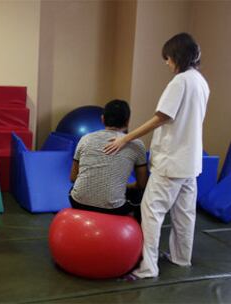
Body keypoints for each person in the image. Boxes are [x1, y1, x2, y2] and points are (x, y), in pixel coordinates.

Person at [104, 33, 209, 280]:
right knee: (184, 214)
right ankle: (181, 258)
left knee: (152, 213)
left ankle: (147, 268)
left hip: (171, 162)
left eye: (168, 58)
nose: (167, 63)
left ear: (177, 56)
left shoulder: (180, 82)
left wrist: (125, 138)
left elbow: (161, 117)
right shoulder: (201, 81)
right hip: (191, 162)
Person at [69, 100, 148, 222]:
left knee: (73, 190)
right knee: (140, 195)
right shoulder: (137, 144)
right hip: (114, 208)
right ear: (127, 121)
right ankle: (141, 236)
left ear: (102, 119)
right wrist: (124, 186)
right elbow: (142, 184)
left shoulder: (85, 139)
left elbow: (73, 178)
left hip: (78, 202)